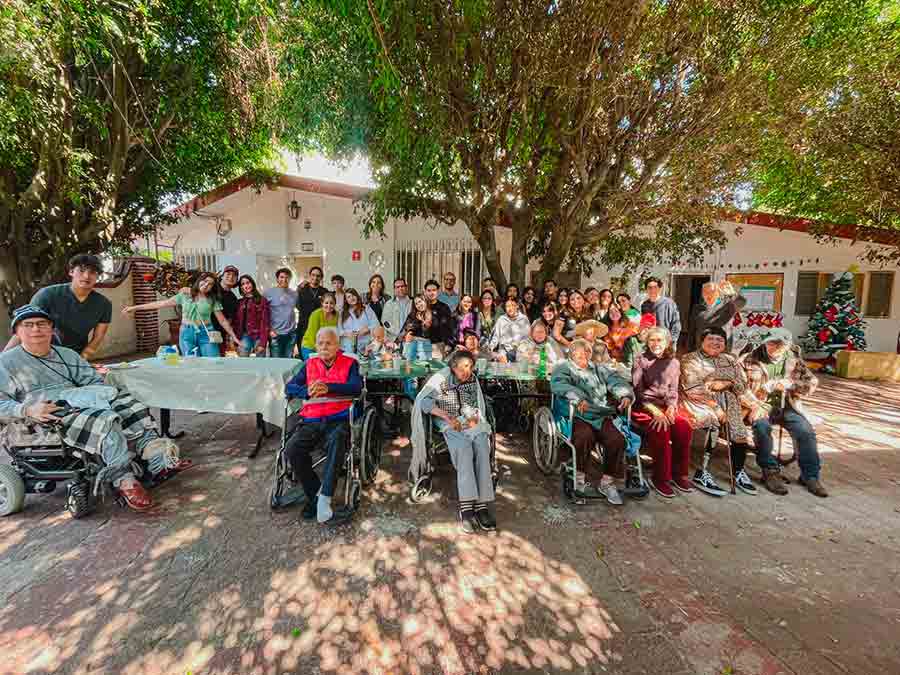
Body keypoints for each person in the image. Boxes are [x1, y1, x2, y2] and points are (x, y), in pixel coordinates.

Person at [0, 305, 187, 511]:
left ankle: (155, 457)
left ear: (51, 329)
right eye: (28, 325)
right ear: (17, 332)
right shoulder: (6, 363)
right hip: (43, 415)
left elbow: (91, 379)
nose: (36, 329)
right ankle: (123, 479)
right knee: (105, 419)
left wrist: (97, 392)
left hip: (77, 400)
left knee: (130, 404)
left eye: (42, 324)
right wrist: (27, 410)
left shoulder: (66, 354)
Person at [411, 350, 496, 533]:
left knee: (482, 445)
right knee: (464, 448)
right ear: (453, 366)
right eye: (463, 367)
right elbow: (424, 402)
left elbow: (476, 405)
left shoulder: (472, 380)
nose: (467, 371)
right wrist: (447, 417)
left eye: (470, 367)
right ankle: (466, 508)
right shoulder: (441, 378)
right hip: (447, 420)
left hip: (469, 419)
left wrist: (473, 417)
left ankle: (481, 505)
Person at [284, 327, 363, 524]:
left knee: (338, 441)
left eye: (329, 343)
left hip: (338, 418)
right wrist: (307, 391)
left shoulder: (350, 363)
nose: (324, 347)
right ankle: (315, 494)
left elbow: (356, 387)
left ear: (338, 345)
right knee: (292, 449)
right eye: (320, 343)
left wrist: (329, 387)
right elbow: (289, 387)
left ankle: (324, 500)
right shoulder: (309, 364)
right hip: (312, 418)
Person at [739, 328, 827, 497]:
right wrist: (755, 405)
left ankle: (810, 476)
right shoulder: (749, 360)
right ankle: (770, 471)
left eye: (780, 344)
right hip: (758, 405)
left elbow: (812, 383)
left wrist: (791, 385)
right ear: (765, 342)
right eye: (771, 342)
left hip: (788, 406)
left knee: (806, 431)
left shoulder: (793, 360)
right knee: (762, 428)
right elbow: (738, 388)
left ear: (787, 345)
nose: (775, 347)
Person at [550, 338, 633, 504]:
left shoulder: (598, 368)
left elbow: (615, 380)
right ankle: (579, 479)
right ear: (571, 355)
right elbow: (559, 385)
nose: (583, 357)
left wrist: (624, 394)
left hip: (599, 412)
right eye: (578, 354)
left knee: (617, 440)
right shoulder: (564, 367)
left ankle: (607, 483)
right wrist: (578, 398)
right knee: (584, 437)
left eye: (586, 353)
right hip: (578, 413)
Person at [680, 327, 754, 497]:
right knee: (710, 421)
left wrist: (726, 384)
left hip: (729, 400)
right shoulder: (690, 359)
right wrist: (715, 406)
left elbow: (742, 385)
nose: (715, 343)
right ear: (702, 341)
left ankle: (738, 471)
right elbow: (692, 388)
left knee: (739, 432)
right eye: (711, 339)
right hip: (700, 401)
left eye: (719, 340)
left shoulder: (730, 359)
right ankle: (701, 472)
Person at [5, 254, 112, 360]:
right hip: (40, 355)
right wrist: (3, 358)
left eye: (92, 272)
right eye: (81, 270)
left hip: (74, 356)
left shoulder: (103, 304)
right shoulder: (47, 294)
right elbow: (24, 329)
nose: (86, 276)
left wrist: (81, 360)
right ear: (71, 272)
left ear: (97, 276)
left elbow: (97, 338)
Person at [631, 327, 693, 498]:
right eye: (652, 340)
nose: (656, 343)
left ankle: (679, 474)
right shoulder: (641, 360)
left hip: (666, 406)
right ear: (647, 342)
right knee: (661, 429)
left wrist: (672, 407)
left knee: (684, 427)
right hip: (644, 407)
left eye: (660, 340)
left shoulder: (674, 362)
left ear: (667, 342)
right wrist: (654, 411)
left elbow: (674, 391)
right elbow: (637, 391)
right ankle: (660, 478)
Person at [123, 272, 238, 357]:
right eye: (205, 281)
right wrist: (134, 308)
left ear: (212, 287)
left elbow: (222, 321)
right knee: (192, 363)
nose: (206, 284)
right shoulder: (184, 295)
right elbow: (162, 303)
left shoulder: (212, 300)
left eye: (210, 284)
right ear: (199, 280)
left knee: (213, 361)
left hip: (206, 332)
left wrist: (234, 337)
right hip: (187, 333)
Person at [690, 280, 747, 351]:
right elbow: (692, 331)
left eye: (712, 292)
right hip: (701, 351)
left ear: (718, 293)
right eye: (705, 292)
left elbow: (742, 302)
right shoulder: (697, 308)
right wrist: (690, 350)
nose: (708, 295)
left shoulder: (727, 305)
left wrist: (732, 294)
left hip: (721, 352)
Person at [264, 268, 299, 358]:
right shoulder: (268, 293)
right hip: (275, 333)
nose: (284, 280)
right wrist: (269, 330)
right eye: (281, 277)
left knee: (288, 361)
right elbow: (263, 314)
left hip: (291, 333)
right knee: (276, 362)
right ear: (277, 279)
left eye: (287, 277)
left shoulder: (294, 294)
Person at [235, 274, 270, 357]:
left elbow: (265, 321)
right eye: (243, 284)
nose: (246, 285)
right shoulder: (239, 302)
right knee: (243, 360)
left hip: (258, 335)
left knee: (260, 362)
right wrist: (235, 340)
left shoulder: (262, 300)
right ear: (241, 288)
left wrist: (263, 342)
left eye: (248, 283)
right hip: (244, 336)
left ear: (252, 284)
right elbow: (236, 322)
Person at [641, 277, 681, 347]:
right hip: (651, 343)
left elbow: (676, 324)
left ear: (660, 289)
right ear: (646, 289)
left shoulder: (669, 303)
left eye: (655, 287)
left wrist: (671, 341)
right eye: (649, 287)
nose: (652, 290)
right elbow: (645, 324)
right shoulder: (644, 305)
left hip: (666, 343)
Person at [338, 288, 379, 355]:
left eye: (353, 295)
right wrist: (347, 334)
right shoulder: (342, 313)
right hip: (347, 347)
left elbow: (376, 324)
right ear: (346, 300)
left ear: (357, 296)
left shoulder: (366, 309)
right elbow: (338, 329)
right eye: (349, 297)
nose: (352, 298)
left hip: (366, 346)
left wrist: (368, 329)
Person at [489, 298, 531, 362]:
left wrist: (521, 349)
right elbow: (496, 336)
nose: (510, 308)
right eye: (507, 306)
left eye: (512, 305)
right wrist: (490, 348)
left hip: (520, 351)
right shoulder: (501, 319)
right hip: (504, 351)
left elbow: (527, 338)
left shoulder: (524, 319)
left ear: (517, 306)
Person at [295, 266, 327, 351]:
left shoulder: (325, 292)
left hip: (319, 328)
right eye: (313, 275)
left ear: (321, 278)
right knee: (304, 353)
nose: (315, 278)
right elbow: (297, 305)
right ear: (309, 276)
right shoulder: (302, 290)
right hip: (303, 327)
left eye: (318, 276)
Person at [300, 293, 339, 360]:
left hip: (324, 347)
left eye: (331, 303)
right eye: (326, 303)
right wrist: (320, 351)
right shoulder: (316, 314)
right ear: (322, 303)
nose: (329, 305)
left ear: (335, 304)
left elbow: (334, 333)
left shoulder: (336, 315)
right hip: (310, 346)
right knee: (313, 367)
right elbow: (312, 335)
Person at [212, 265, 240, 355]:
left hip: (219, 335)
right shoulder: (212, 289)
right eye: (228, 274)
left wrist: (230, 337)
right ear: (222, 276)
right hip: (204, 330)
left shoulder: (233, 298)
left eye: (234, 275)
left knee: (218, 360)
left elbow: (229, 319)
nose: (231, 277)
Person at [423, 279, 454, 355]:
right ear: (425, 291)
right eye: (429, 290)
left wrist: (448, 344)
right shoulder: (421, 307)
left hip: (439, 346)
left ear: (438, 291)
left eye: (434, 290)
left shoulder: (444, 307)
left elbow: (450, 327)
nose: (431, 293)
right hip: (422, 345)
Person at [401, 294, 433, 361]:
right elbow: (405, 329)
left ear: (425, 300)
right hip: (411, 347)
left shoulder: (432, 313)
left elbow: (429, 335)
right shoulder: (413, 315)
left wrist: (423, 321)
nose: (419, 305)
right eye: (416, 303)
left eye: (420, 301)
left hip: (426, 348)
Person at [382, 278, 413, 343]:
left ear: (406, 287)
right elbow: (385, 322)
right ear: (394, 289)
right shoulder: (389, 304)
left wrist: (406, 334)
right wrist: (398, 333)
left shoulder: (413, 303)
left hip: (410, 338)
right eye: (397, 287)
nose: (400, 289)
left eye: (402, 286)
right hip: (393, 340)